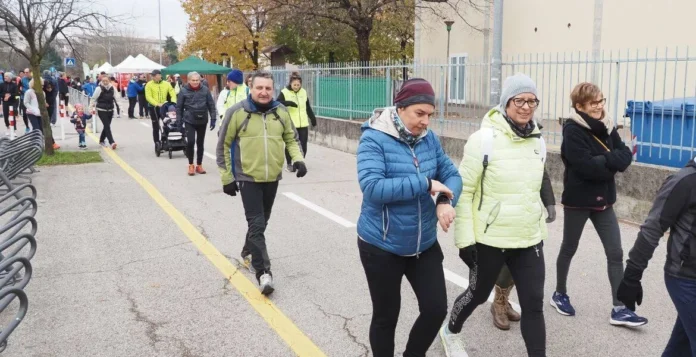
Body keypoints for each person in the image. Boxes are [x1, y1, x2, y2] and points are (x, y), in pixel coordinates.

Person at [440, 73, 550, 357]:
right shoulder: (483, 140)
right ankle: (450, 332)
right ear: (506, 103)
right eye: (519, 100)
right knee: (477, 294)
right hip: (490, 239)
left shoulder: (538, 142)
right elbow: (464, 191)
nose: (526, 107)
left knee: (534, 304)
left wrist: (541, 228)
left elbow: (534, 189)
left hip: (528, 240)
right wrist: (465, 241)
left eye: (532, 101)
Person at [356, 78, 462, 357]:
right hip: (381, 245)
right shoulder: (374, 138)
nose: (426, 121)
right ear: (400, 108)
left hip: (423, 242)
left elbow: (451, 175)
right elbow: (373, 187)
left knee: (435, 308)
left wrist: (442, 201)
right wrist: (426, 184)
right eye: (420, 114)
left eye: (430, 114)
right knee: (386, 317)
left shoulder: (430, 139)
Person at [550, 82, 647, 327]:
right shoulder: (572, 130)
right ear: (579, 106)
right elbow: (584, 166)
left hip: (604, 201)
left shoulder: (607, 125)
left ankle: (620, 308)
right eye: (594, 103)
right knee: (569, 248)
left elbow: (625, 156)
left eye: (601, 100)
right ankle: (559, 293)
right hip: (579, 200)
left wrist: (605, 160)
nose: (599, 106)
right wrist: (610, 162)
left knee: (615, 252)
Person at [215, 71, 307, 295]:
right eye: (259, 88)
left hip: (272, 177)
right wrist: (227, 178)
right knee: (256, 223)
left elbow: (291, 139)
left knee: (262, 221)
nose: (264, 92)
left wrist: (298, 159)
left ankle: (248, 250)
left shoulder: (280, 112)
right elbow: (222, 145)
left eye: (268, 88)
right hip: (248, 177)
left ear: (272, 90)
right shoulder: (237, 112)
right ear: (251, 88)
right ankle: (263, 272)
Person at [617, 157, 696, 355]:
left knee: (681, 346)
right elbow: (652, 229)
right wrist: (632, 276)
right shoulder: (684, 182)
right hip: (685, 278)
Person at [177, 71, 217, 176]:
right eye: (193, 80)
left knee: (200, 143)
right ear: (189, 80)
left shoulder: (205, 90)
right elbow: (179, 107)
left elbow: (211, 104)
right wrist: (179, 121)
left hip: (202, 119)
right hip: (189, 119)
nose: (195, 82)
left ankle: (199, 164)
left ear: (200, 80)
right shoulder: (183, 91)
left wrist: (213, 118)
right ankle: (191, 164)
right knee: (190, 142)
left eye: (197, 80)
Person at [277, 72, 317, 172]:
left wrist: (312, 118)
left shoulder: (303, 92)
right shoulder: (284, 92)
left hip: (303, 123)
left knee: (303, 145)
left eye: (298, 85)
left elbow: (307, 107)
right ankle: (289, 164)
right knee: (291, 144)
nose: (296, 87)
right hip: (291, 124)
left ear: (301, 84)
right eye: (294, 85)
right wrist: (288, 103)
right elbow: (277, 103)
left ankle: (299, 162)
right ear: (290, 84)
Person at [146, 69, 176, 149]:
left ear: (160, 76)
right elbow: (148, 96)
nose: (153, 77)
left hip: (164, 106)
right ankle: (156, 142)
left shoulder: (167, 84)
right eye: (153, 76)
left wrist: (173, 102)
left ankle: (166, 140)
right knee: (155, 126)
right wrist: (156, 104)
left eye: (155, 75)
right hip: (153, 107)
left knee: (167, 124)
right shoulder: (149, 84)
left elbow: (172, 93)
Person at [90, 76, 118, 149]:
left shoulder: (113, 88)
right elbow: (93, 98)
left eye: (106, 81)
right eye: (103, 81)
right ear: (101, 81)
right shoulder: (98, 88)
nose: (105, 82)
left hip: (110, 110)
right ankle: (112, 142)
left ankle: (101, 140)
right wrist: (90, 108)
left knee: (107, 126)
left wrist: (120, 107)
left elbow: (117, 98)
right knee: (107, 126)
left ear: (109, 81)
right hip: (101, 110)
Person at [20, 68, 31, 133]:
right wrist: (26, 91)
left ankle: (34, 127)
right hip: (23, 98)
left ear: (30, 72)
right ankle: (27, 127)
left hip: (32, 99)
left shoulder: (34, 79)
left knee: (33, 113)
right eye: (25, 72)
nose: (26, 74)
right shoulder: (22, 79)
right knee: (24, 114)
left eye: (27, 72)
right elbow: (20, 88)